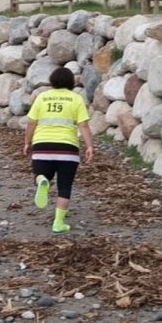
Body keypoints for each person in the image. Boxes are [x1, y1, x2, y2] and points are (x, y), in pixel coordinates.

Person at [23, 67, 94, 234]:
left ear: (52, 80)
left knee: (40, 174)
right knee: (65, 186)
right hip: (68, 148)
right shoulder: (76, 99)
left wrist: (27, 142)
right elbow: (83, 125)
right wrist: (90, 146)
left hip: (42, 145)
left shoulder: (42, 97)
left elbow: (31, 122)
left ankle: (42, 181)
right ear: (71, 82)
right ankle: (58, 223)